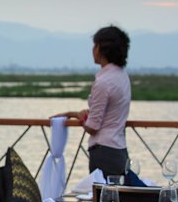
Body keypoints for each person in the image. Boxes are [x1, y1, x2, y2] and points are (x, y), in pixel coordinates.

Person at [52, 25, 131, 177]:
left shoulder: (104, 81)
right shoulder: (122, 76)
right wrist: (74, 113)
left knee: (104, 198)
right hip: (119, 148)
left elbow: (93, 126)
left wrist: (81, 118)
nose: (93, 49)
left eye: (95, 45)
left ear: (102, 49)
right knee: (117, 198)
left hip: (104, 151)